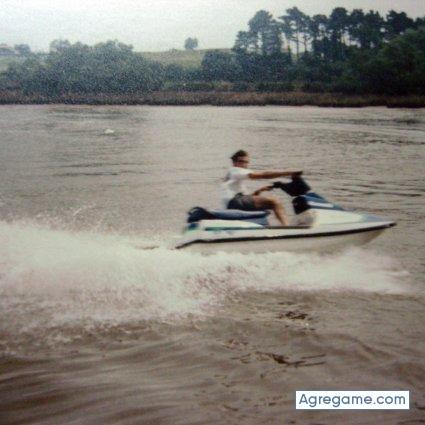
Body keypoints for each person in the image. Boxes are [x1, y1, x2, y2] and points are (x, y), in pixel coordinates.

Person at [222, 150, 303, 226]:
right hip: (234, 202)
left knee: (265, 206)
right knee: (274, 201)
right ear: (234, 163)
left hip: (233, 204)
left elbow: (250, 198)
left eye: (246, 162)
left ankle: (269, 228)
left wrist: (260, 190)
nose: (244, 164)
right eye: (241, 161)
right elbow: (263, 175)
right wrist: (290, 172)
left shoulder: (235, 178)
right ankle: (287, 228)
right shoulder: (236, 170)